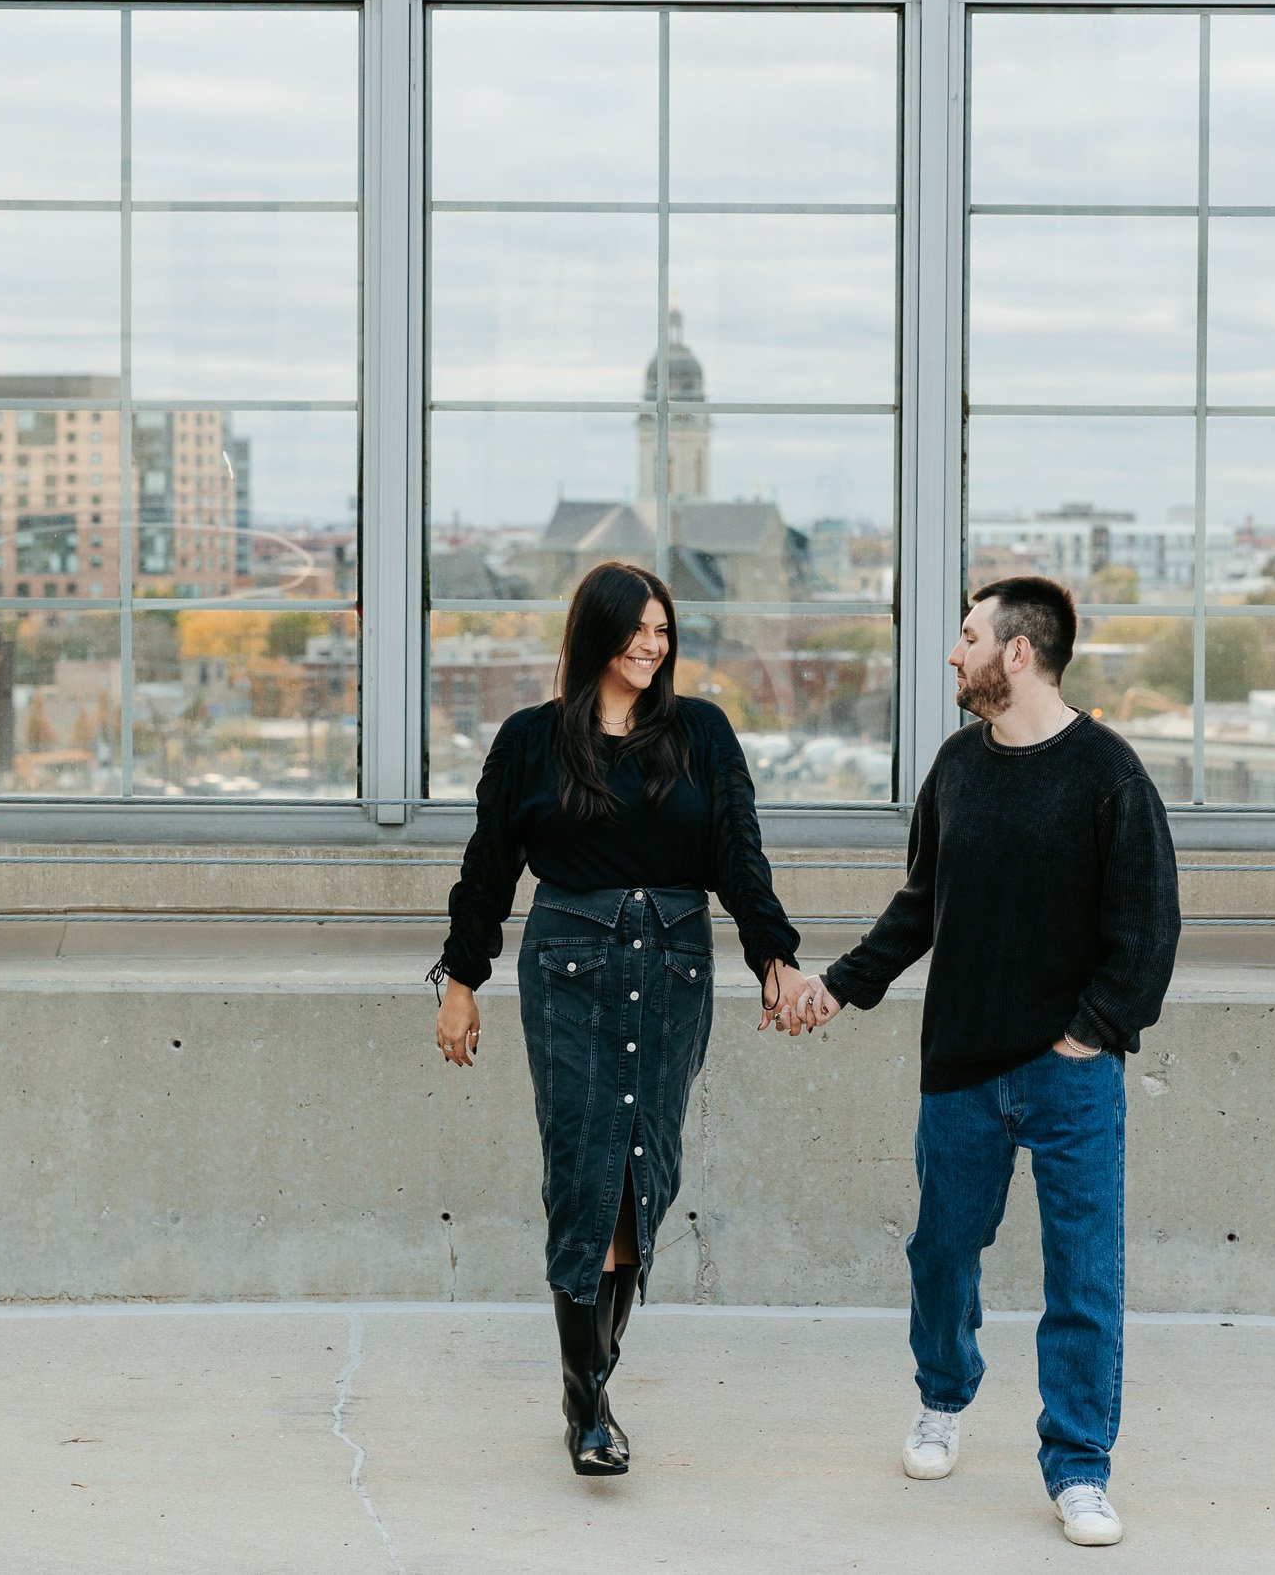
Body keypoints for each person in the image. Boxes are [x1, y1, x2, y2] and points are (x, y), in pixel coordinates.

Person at [785, 575, 1181, 1547]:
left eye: (966, 636)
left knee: (1082, 1276)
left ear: (1016, 651)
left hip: (1070, 1075)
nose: (952, 653)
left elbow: (1146, 930)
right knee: (940, 1255)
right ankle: (942, 1395)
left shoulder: (1108, 776)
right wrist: (835, 984)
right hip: (960, 1066)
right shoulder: (955, 767)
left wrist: (1085, 1034)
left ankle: (1079, 1466)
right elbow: (921, 902)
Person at [430, 560, 818, 1477]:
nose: (653, 645)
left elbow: (739, 854)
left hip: (675, 965)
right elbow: (488, 868)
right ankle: (589, 1405)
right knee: (584, 1171)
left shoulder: (703, 733)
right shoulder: (531, 740)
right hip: (569, 968)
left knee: (646, 1177)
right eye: (639, 628)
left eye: (664, 631)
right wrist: (460, 980)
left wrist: (775, 955)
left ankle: (589, 1383)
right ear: (596, 631)